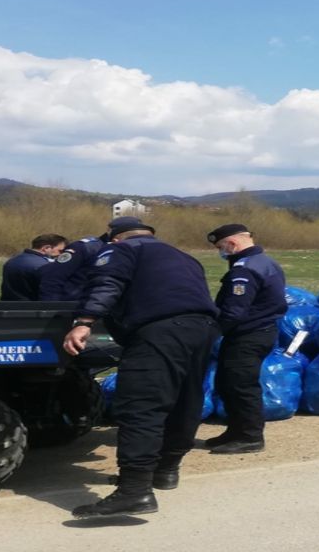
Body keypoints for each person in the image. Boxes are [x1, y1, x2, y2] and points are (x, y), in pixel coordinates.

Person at [62, 216, 219, 518]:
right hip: (202, 329)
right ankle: (166, 470)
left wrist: (84, 322)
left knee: (140, 405)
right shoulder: (183, 256)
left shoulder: (121, 250)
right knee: (185, 399)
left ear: (115, 238)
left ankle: (134, 491)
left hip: (159, 330)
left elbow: (107, 283)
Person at [204, 223, 286, 455]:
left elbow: (233, 311)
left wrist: (210, 334)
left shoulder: (244, 269)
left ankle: (250, 436)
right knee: (228, 383)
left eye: (221, 247)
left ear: (232, 243)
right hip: (261, 331)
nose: (221, 252)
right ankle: (235, 431)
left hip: (248, 334)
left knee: (241, 386)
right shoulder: (266, 262)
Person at [39, 234, 108, 301]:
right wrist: (51, 307)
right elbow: (54, 277)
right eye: (60, 251)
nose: (59, 254)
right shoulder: (85, 247)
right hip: (72, 303)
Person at [0, 233, 67, 301]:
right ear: (46, 248)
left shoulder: (12, 261)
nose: (61, 254)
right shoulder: (45, 266)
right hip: (33, 308)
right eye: (60, 251)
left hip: (8, 307)